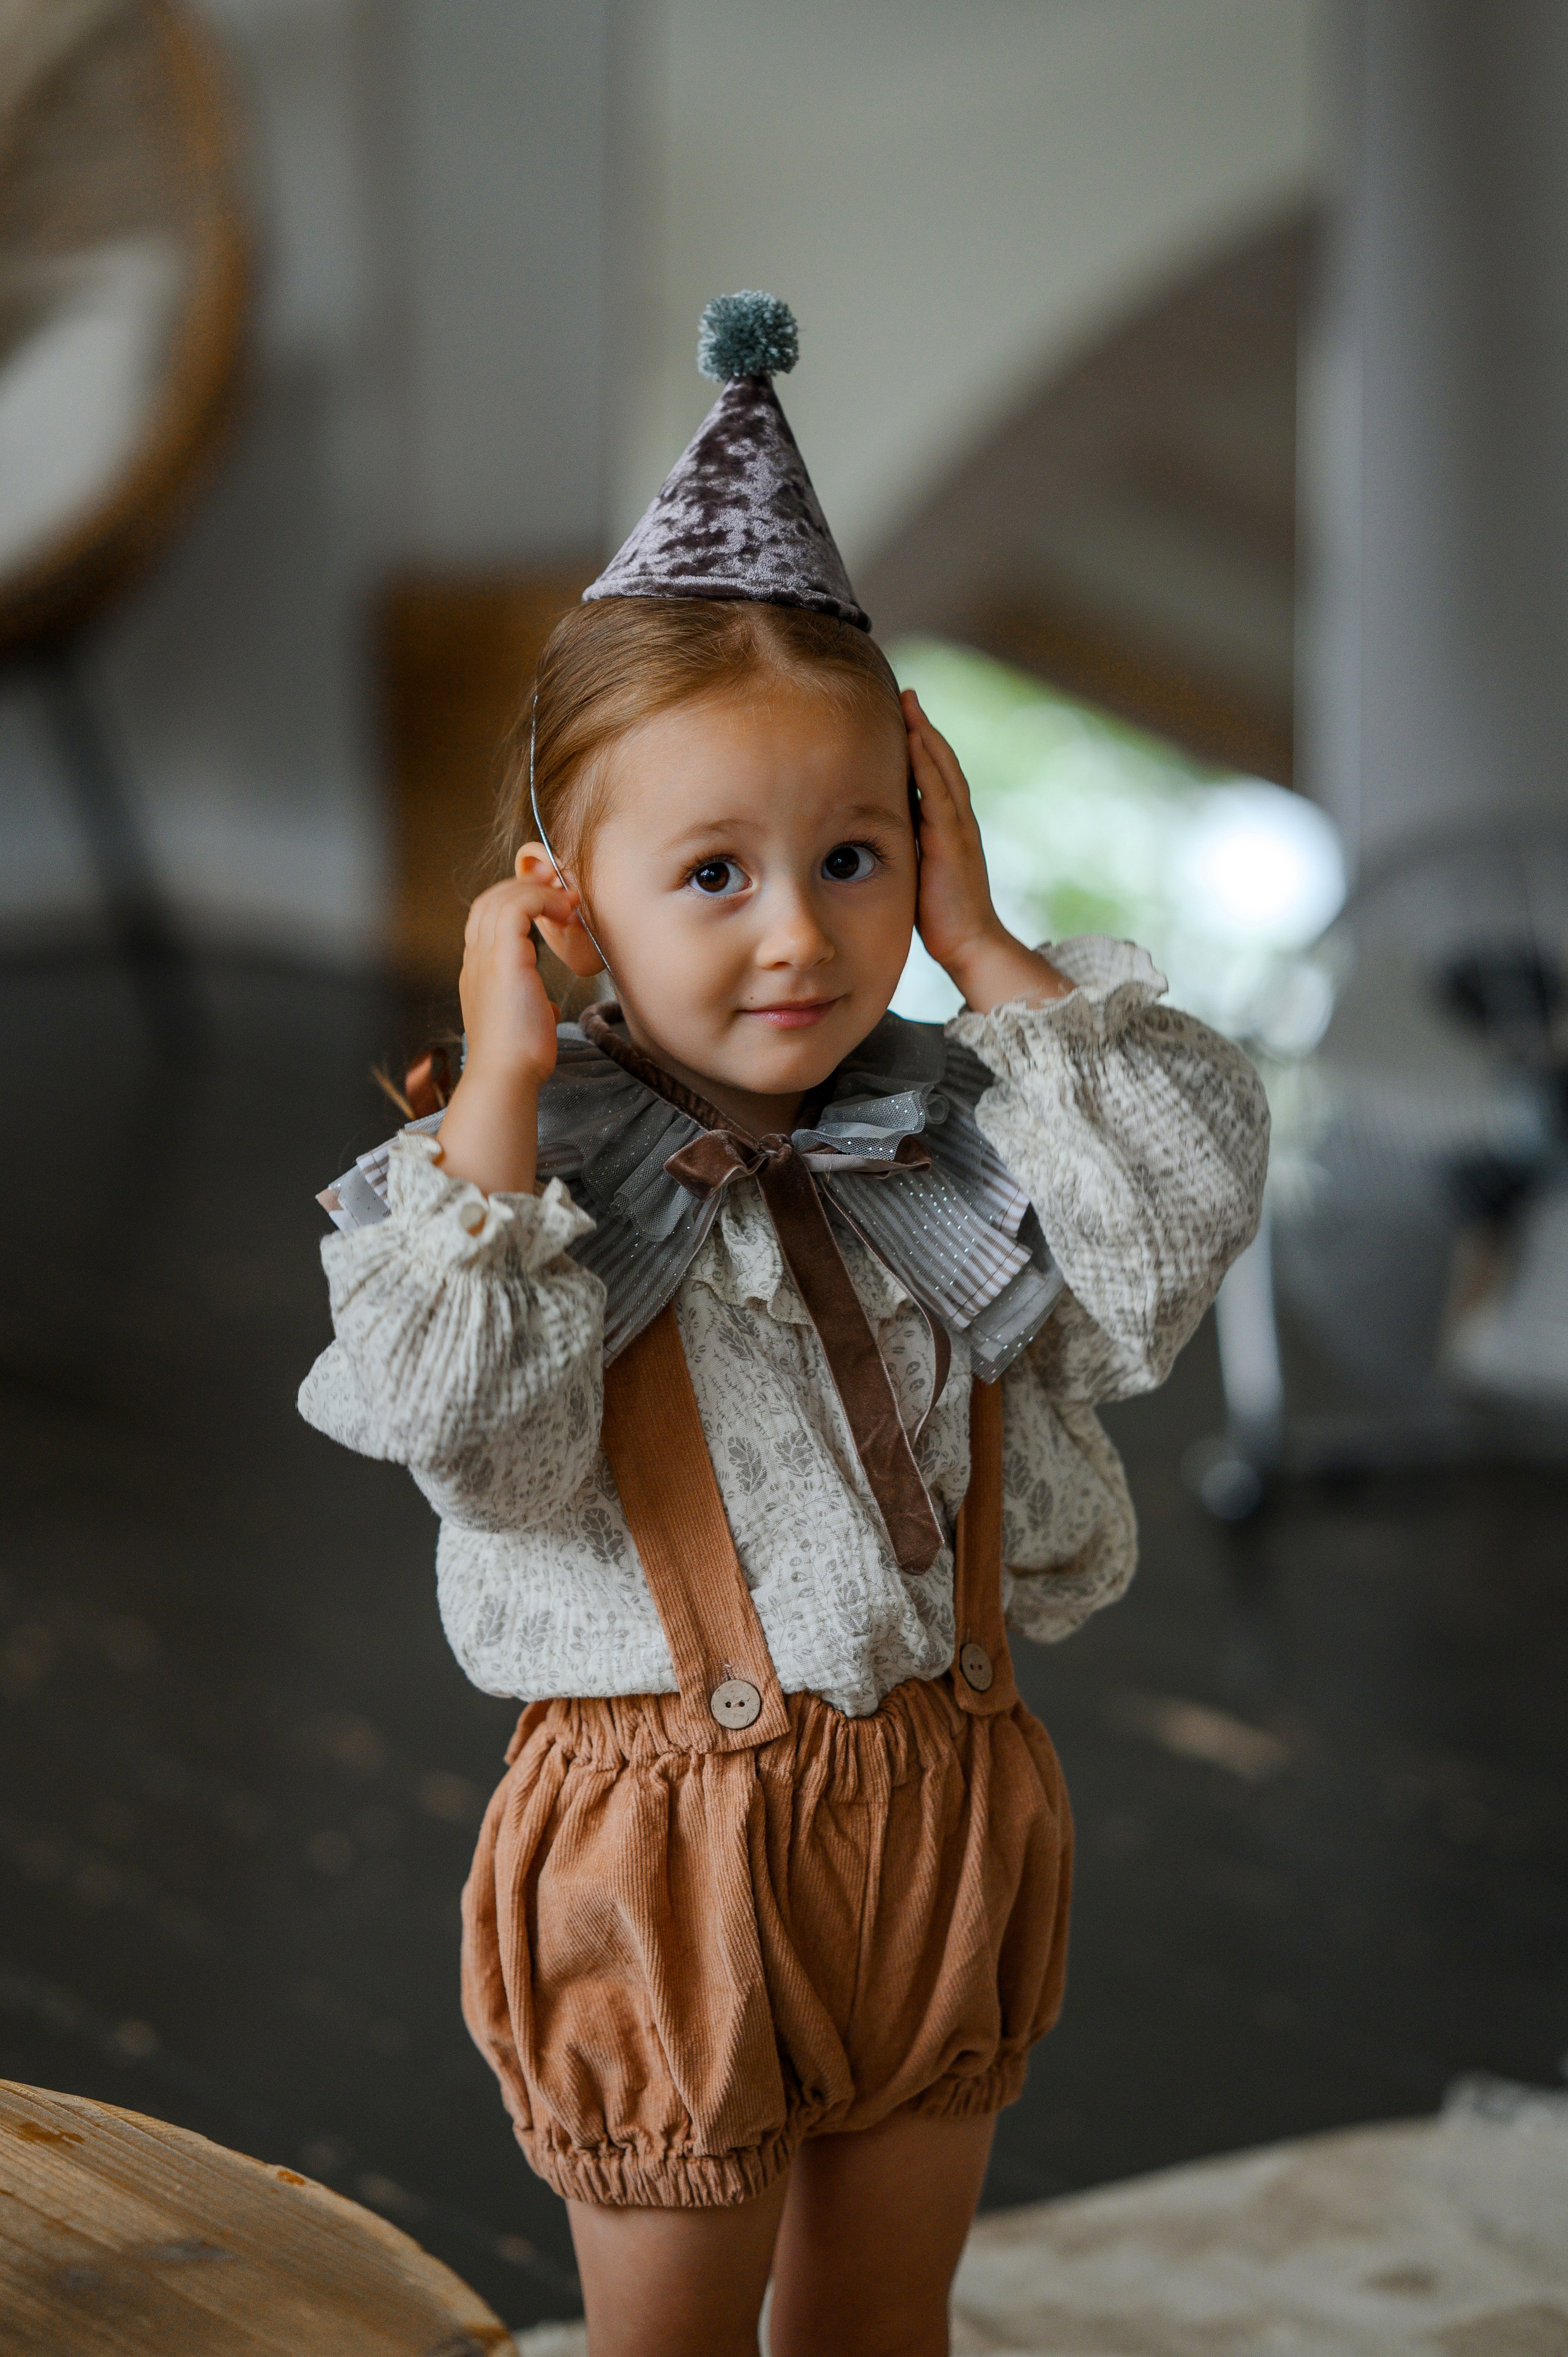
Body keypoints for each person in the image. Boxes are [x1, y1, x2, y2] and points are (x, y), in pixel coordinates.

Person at [301, 294, 1269, 2357]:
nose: (800, 934)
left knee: (881, 2326)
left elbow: (1178, 1231)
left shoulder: (978, 1136)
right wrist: (497, 1080)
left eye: (855, 857)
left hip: (946, 1812)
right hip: (666, 1857)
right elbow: (457, 1423)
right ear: (569, 902)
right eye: (715, 873)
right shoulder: (498, 1204)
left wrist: (989, 947)